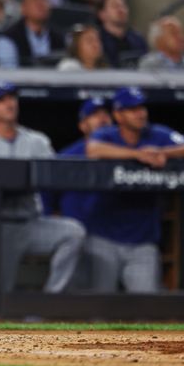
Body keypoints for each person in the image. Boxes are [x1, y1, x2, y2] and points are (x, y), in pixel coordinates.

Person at [0, 80, 86, 292]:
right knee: (0, 292)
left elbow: (54, 178)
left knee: (74, 232)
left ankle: (51, 301)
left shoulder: (37, 141)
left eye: (12, 97)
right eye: (1, 100)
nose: (9, 103)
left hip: (31, 223)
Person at [85, 87, 184, 292]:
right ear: (118, 115)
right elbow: (93, 149)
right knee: (98, 309)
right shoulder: (108, 134)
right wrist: (137, 155)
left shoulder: (156, 134)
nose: (140, 113)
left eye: (141, 107)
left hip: (143, 241)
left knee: (145, 310)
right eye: (132, 109)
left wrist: (162, 152)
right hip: (103, 237)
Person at [41, 97, 112, 288]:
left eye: (106, 114)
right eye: (94, 115)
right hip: (76, 237)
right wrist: (51, 219)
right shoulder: (68, 156)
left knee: (102, 301)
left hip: (110, 237)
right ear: (83, 125)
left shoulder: (126, 155)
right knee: (71, 295)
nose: (103, 118)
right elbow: (46, 196)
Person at [0, 0, 65, 67]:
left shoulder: (61, 39)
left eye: (44, 0)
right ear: (23, 8)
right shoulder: (7, 40)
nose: (41, 4)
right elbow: (7, 76)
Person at [96, 0, 147, 67]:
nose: (121, 10)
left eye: (123, 6)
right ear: (102, 14)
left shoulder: (138, 39)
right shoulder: (97, 40)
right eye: (115, 6)